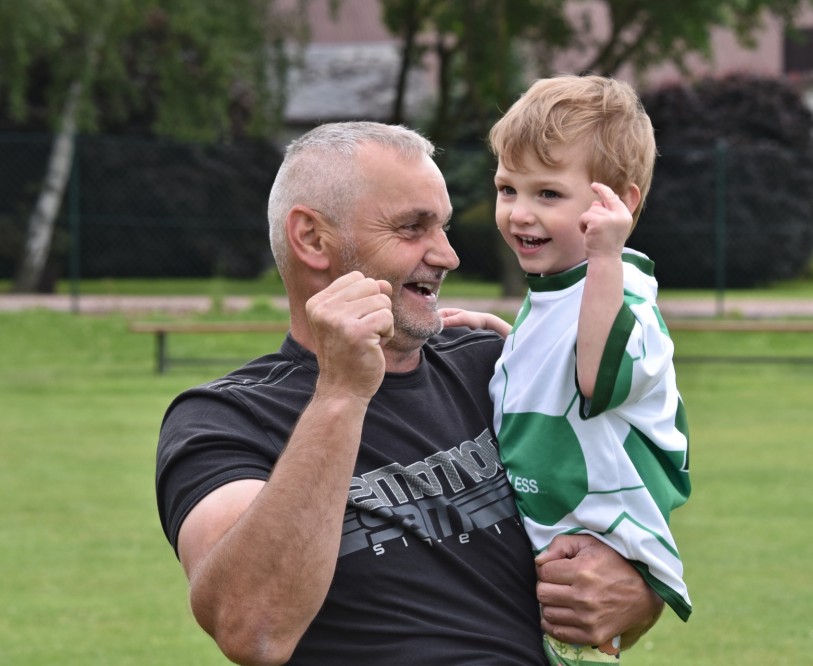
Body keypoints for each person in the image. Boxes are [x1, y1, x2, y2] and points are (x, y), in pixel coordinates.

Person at [155, 121, 663, 666]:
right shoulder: (225, 418)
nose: (447, 255)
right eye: (412, 228)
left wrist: (637, 595)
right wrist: (341, 395)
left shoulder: (494, 368)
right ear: (312, 239)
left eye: (443, 227)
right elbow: (253, 631)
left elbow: (621, 515)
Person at [441, 75, 692, 665]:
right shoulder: (562, 288)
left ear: (618, 204)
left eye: (548, 194)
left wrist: (606, 254)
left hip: (595, 558)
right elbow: (564, 368)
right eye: (508, 188)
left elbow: (596, 377)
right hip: (551, 548)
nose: (519, 213)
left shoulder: (621, 290)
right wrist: (510, 340)